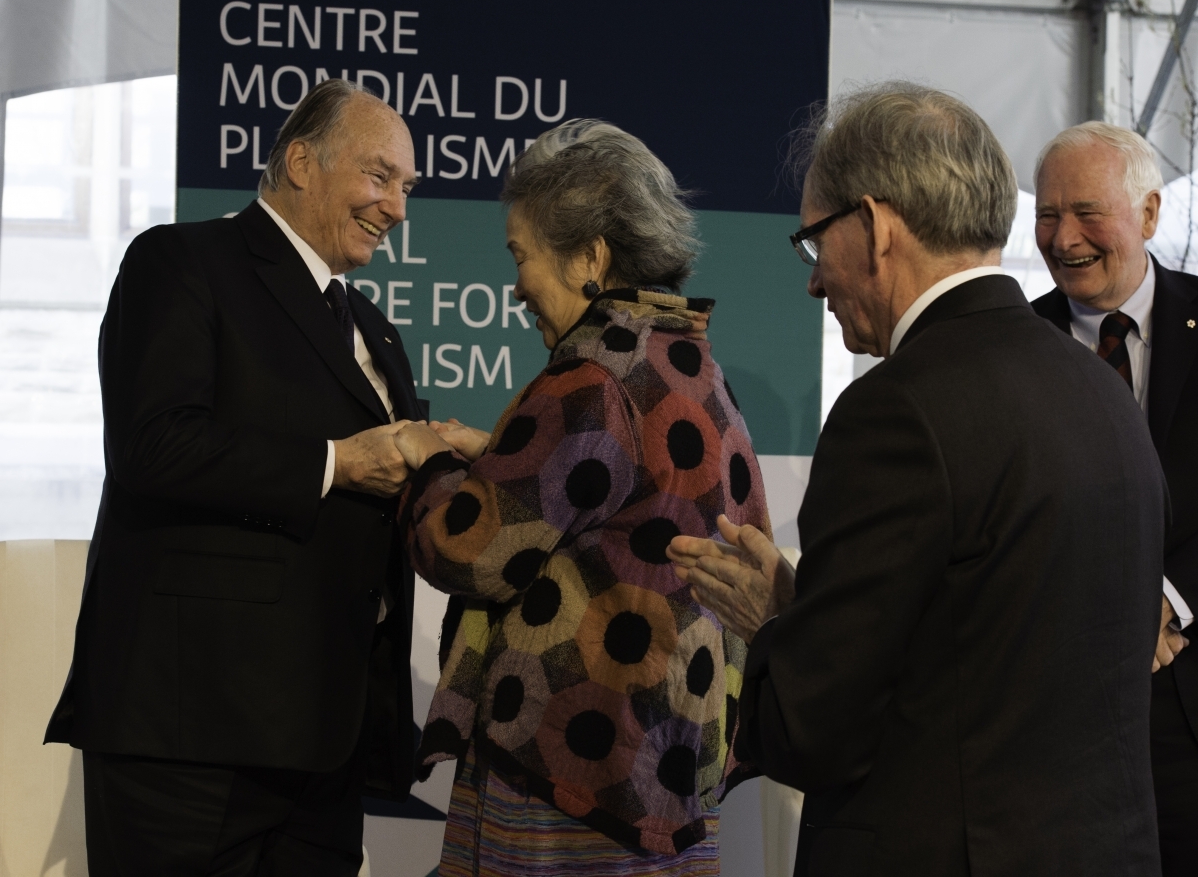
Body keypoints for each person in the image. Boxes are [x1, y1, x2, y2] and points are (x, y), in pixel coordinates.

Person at [669, 83, 1166, 876]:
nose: (812, 280)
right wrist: (809, 609)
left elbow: (812, 730)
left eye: (812, 241)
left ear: (875, 227)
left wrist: (774, 626)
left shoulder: (895, 412)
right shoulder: (1099, 387)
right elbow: (993, 650)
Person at [44, 80, 424, 876]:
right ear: (300, 162)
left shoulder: (375, 332)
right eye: (379, 176)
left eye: (407, 189)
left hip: (323, 740)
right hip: (189, 734)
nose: (396, 208)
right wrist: (338, 460)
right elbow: (153, 446)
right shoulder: (181, 262)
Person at [388, 119, 767, 875]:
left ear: (590, 257)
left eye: (521, 255)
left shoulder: (592, 378)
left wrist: (426, 464)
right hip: (668, 783)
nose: (516, 284)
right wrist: (494, 458)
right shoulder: (693, 365)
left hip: (569, 788)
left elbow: (470, 550)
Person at [1030, 121, 1197, 875]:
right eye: (1046, 214)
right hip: (1051, 724)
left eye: (1087, 212)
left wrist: (1166, 597)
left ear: (1151, 215)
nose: (1064, 239)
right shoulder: (1011, 343)